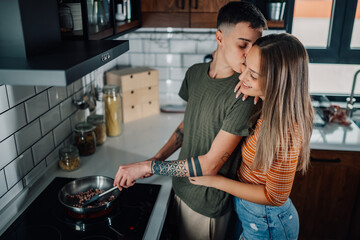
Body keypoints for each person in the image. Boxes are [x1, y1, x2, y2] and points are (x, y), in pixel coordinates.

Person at [113, 2, 266, 239]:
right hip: (179, 187)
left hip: (207, 206)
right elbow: (187, 126)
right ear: (219, 37)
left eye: (254, 46)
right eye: (243, 44)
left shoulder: (244, 94)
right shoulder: (194, 73)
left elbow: (210, 165)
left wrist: (148, 167)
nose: (250, 54)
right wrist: (157, 158)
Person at [189, 33, 315, 240]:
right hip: (252, 215)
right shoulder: (270, 105)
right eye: (245, 66)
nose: (241, 77)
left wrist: (214, 181)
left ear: (278, 82)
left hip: (269, 224)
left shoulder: (286, 132)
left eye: (253, 75)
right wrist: (255, 88)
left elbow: (275, 197)